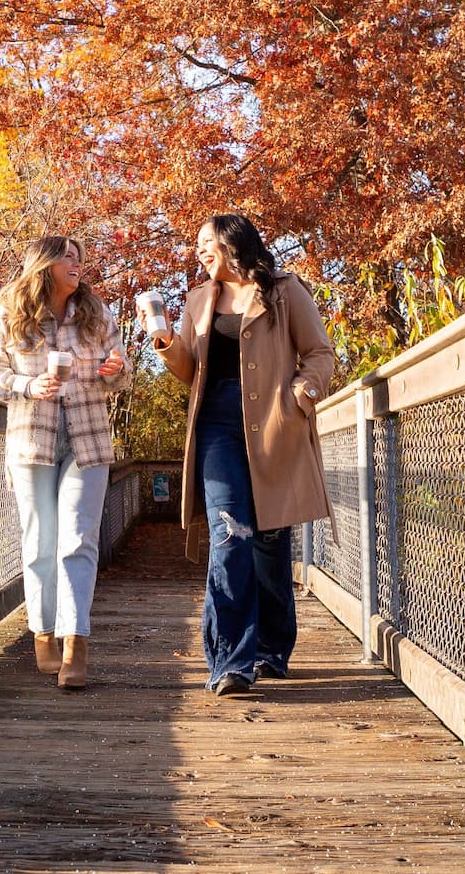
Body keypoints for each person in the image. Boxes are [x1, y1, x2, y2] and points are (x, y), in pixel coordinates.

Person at [143, 214, 335, 696]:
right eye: (198, 244)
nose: (199, 251)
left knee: (270, 542)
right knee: (231, 537)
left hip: (274, 423)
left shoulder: (284, 291)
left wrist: (302, 393)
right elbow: (192, 373)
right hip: (216, 426)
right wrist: (167, 343)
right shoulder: (197, 300)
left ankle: (271, 648)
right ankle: (231, 660)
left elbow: (319, 353)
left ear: (233, 243)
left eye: (207, 242)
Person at [0, 236, 130, 690]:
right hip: (31, 441)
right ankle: (42, 632)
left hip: (88, 442)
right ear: (43, 264)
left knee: (78, 540)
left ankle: (75, 643)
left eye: (79, 257)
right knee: (39, 541)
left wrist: (115, 370)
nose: (76, 264)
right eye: (67, 256)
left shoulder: (96, 313)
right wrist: (28, 385)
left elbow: (123, 374)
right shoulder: (9, 312)